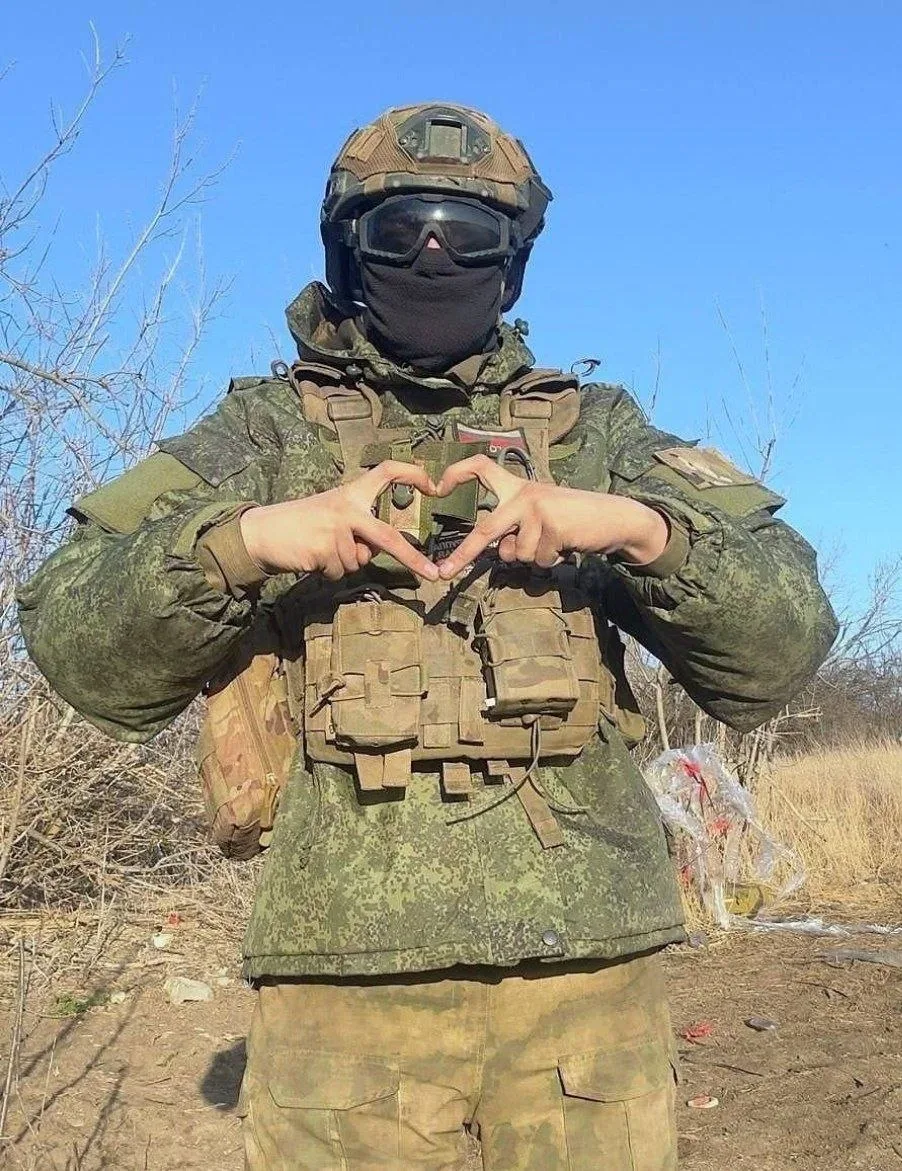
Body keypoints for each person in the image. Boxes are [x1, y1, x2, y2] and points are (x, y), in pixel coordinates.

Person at [17, 103, 837, 1170]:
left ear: (513, 259)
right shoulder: (264, 434)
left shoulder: (594, 433)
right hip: (338, 987)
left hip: (584, 979)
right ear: (348, 248)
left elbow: (782, 648)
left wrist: (640, 528)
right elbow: (70, 638)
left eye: (469, 232)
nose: (434, 256)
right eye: (400, 230)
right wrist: (248, 540)